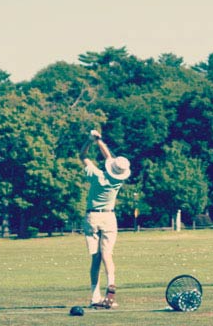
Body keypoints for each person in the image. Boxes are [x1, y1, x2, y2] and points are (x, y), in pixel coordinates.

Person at [80, 129, 131, 309]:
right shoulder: (118, 181)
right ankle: (111, 283)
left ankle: (95, 296)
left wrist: (90, 141)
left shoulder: (97, 175)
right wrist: (100, 141)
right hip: (109, 216)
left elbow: (82, 156)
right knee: (107, 254)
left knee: (95, 258)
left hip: (92, 216)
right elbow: (109, 158)